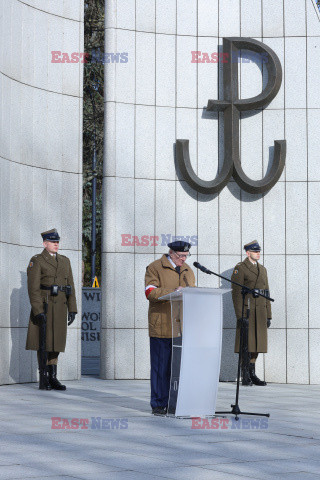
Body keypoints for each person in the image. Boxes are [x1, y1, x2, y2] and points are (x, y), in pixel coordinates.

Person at [145, 241, 195, 415]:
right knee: (161, 368)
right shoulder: (155, 267)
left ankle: (176, 403)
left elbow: (193, 294)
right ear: (171, 253)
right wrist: (174, 291)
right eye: (181, 256)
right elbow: (150, 292)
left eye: (186, 256)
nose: (183, 259)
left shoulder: (188, 270)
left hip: (182, 327)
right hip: (162, 325)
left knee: (179, 369)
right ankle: (158, 404)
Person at [26, 229, 77, 390]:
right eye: (53, 242)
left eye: (57, 242)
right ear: (44, 243)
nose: (56, 244)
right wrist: (38, 310)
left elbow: (71, 286)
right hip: (45, 306)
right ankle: (44, 376)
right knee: (43, 342)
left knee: (56, 343)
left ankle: (53, 377)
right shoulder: (37, 260)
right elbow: (33, 288)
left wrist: (73, 308)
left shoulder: (65, 261)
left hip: (60, 307)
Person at [231, 240, 271, 386]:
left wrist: (268, 314)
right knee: (246, 343)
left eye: (259, 251)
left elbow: (267, 292)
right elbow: (236, 294)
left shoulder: (263, 269)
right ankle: (245, 374)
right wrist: (240, 315)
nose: (258, 253)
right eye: (255, 251)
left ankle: (252, 373)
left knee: (257, 343)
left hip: (260, 311)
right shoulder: (240, 268)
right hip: (247, 310)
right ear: (248, 253)